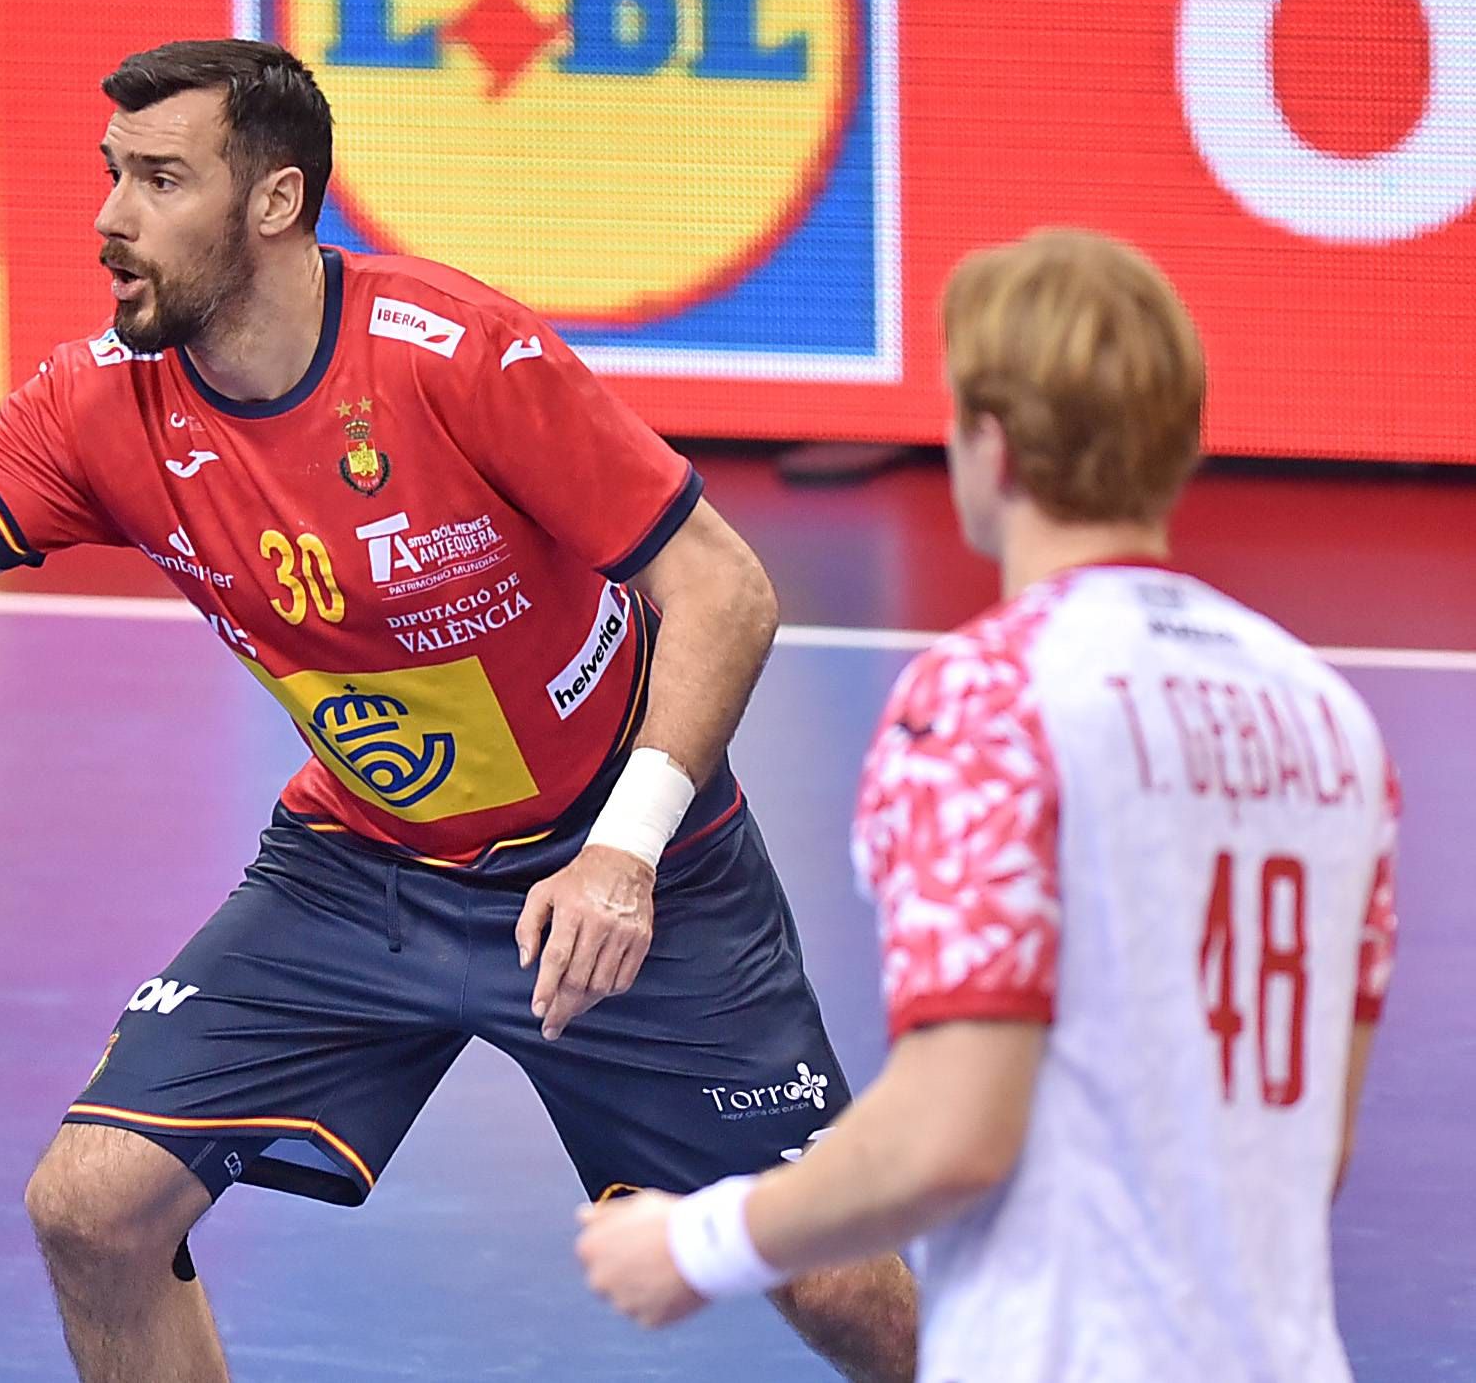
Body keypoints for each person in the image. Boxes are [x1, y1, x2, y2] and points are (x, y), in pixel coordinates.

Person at [0, 38, 915, 1382]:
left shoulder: (457, 357)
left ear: (274, 201)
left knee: (843, 1291)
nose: (111, 219)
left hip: (621, 867)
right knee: (91, 1210)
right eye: (111, 174)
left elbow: (723, 590)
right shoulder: (94, 405)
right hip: (360, 873)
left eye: (161, 180)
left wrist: (625, 854)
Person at [575, 229, 1401, 1381]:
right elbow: (1316, 1145)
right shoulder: (1328, 721)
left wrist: (697, 1241)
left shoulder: (985, 700)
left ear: (992, 446)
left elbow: (950, 1134)